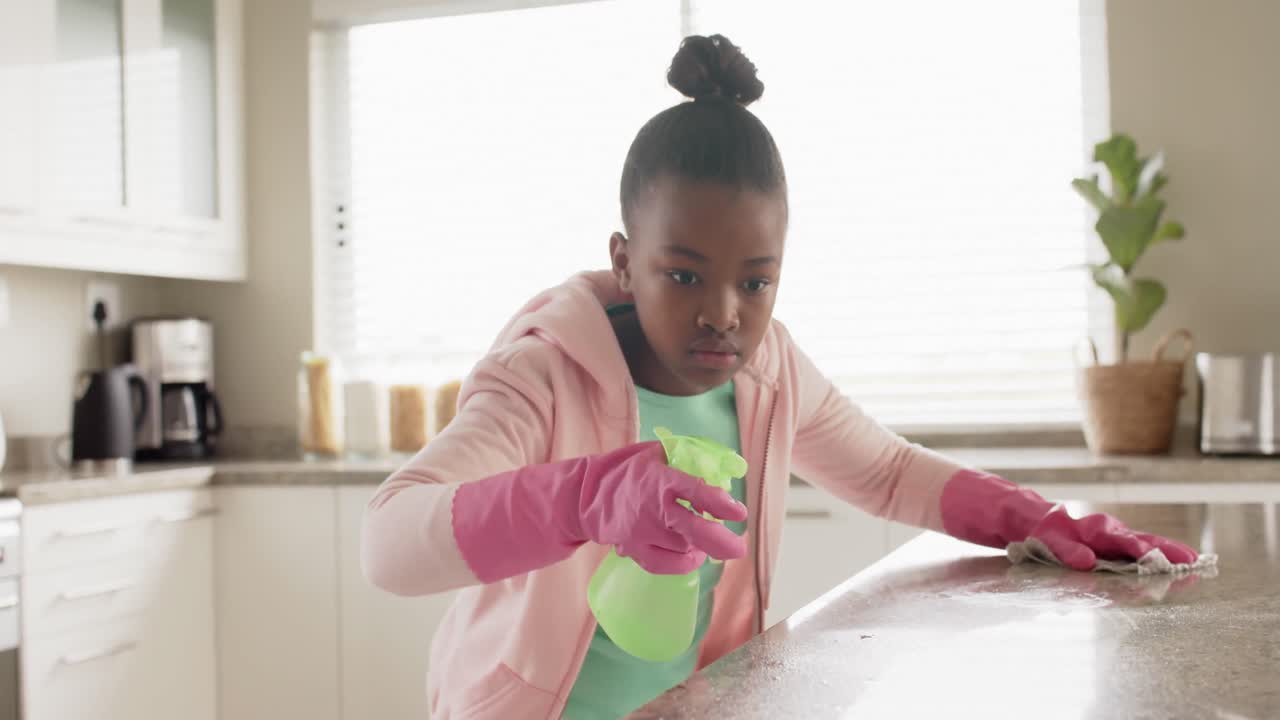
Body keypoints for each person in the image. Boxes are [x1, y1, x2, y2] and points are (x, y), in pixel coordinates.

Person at [361, 34, 1198, 720]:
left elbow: (887, 471)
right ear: (625, 261)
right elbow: (390, 543)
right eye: (684, 275)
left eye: (755, 281)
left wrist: (1032, 517)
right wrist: (581, 498)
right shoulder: (541, 374)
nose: (724, 313)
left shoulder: (766, 373)